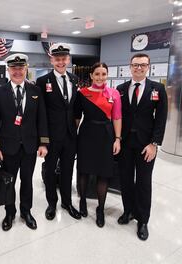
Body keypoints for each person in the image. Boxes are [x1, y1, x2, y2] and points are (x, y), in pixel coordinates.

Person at [0, 53, 49, 231]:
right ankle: (10, 213)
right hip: (8, 148)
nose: (17, 71)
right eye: (13, 68)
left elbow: (42, 119)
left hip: (30, 146)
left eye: (20, 68)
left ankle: (26, 211)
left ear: (26, 69)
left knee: (27, 180)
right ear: (8, 70)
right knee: (9, 182)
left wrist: (43, 143)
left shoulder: (35, 92)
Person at [116, 53, 168, 240]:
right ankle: (128, 211)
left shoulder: (157, 89)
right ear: (130, 67)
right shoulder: (121, 89)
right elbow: (117, 116)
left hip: (146, 145)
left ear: (148, 67)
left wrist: (154, 144)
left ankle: (143, 220)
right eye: (135, 65)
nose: (139, 68)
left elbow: (161, 119)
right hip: (125, 143)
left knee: (144, 182)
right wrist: (117, 139)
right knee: (126, 180)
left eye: (142, 65)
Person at [36, 43, 81, 221]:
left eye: (64, 58)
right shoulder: (42, 82)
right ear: (51, 59)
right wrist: (43, 140)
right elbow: (40, 113)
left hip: (70, 135)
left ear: (68, 60)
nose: (61, 62)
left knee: (68, 169)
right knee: (49, 171)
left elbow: (76, 107)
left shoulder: (74, 79)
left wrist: (75, 127)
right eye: (57, 58)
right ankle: (51, 203)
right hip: (52, 136)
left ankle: (67, 202)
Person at [74, 62, 122, 228]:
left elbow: (116, 117)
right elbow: (77, 117)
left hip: (106, 135)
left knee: (104, 172)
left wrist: (117, 139)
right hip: (87, 134)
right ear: (91, 76)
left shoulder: (114, 94)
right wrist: (73, 135)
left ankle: (100, 209)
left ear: (107, 75)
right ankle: (82, 202)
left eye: (103, 74)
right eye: (97, 74)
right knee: (84, 170)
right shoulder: (82, 93)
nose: (100, 77)